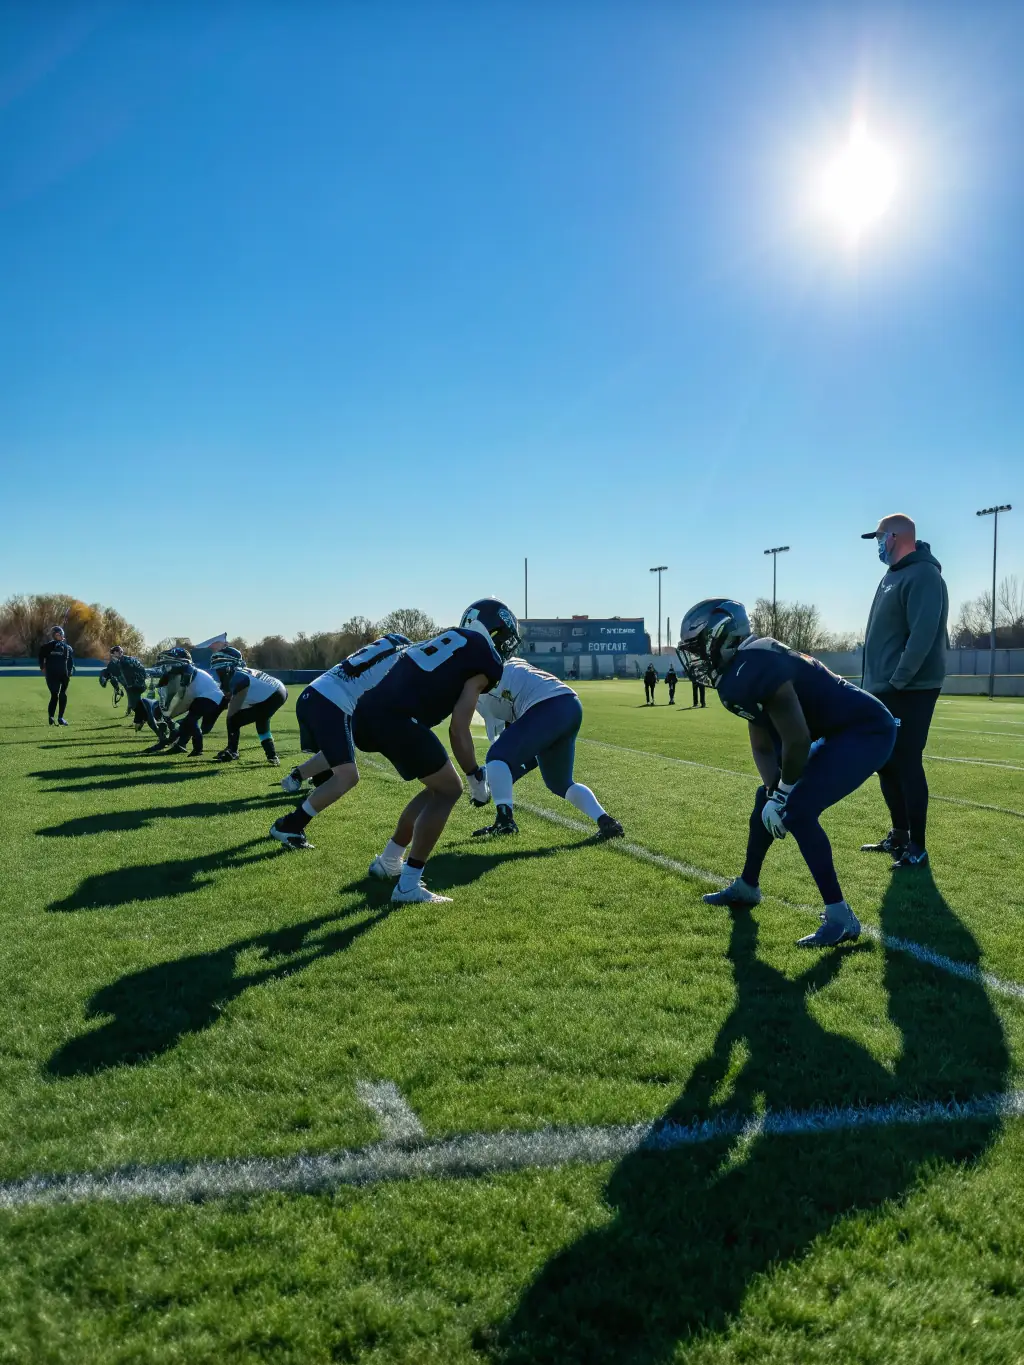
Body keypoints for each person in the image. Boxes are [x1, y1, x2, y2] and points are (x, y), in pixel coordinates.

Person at [678, 599, 896, 949]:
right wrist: (772, 791)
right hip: (834, 731)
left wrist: (783, 796)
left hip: (865, 730)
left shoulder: (755, 665)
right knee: (768, 798)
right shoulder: (742, 669)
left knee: (799, 810)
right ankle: (748, 886)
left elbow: (796, 740)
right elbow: (764, 746)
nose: (695, 659)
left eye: (697, 648)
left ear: (721, 638)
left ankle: (840, 918)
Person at [271, 600, 513, 906]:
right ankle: (408, 884)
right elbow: (459, 729)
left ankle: (389, 862)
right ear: (499, 630)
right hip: (396, 717)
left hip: (366, 712)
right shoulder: (486, 657)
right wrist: (476, 779)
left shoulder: (447, 638)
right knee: (451, 789)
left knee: (439, 787)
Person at [858, 514, 948, 869]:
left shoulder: (925, 575)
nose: (877, 544)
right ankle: (899, 835)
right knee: (886, 763)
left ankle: (918, 847)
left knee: (908, 762)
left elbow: (922, 635)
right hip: (884, 688)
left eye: (880, 537)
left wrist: (898, 681)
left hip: (911, 689)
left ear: (895, 537)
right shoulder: (890, 576)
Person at [471, 657, 624, 839]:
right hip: (571, 705)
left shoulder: (481, 687)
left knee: (497, 755)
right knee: (559, 783)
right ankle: (607, 822)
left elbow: (499, 748)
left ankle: (505, 823)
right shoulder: (512, 663)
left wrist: (486, 783)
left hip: (546, 707)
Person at [209, 647, 288, 765]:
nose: (218, 672)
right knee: (262, 720)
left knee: (233, 719)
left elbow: (233, 708)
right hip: (278, 690)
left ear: (229, 665)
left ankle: (232, 750)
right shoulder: (242, 672)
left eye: (220, 668)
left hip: (272, 694)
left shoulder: (238, 677)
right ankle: (272, 756)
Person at [153, 653, 226, 757]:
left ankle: (198, 749)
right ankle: (180, 745)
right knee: (188, 722)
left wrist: (169, 709)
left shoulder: (188, 670)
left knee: (189, 722)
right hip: (204, 698)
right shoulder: (188, 671)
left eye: (171, 664)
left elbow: (182, 692)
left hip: (211, 699)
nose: (169, 667)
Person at [99, 646, 154, 733]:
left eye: (120, 650)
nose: (120, 652)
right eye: (117, 651)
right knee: (135, 704)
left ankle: (146, 720)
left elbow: (141, 669)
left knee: (136, 704)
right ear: (112, 653)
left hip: (137, 685)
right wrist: (105, 677)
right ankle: (144, 719)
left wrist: (140, 680)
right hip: (128, 686)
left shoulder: (128, 660)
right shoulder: (112, 664)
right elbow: (111, 675)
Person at [38, 626, 75, 726]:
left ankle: (59, 717)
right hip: (52, 674)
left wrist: (70, 670)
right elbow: (41, 657)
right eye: (58, 634)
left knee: (62, 694)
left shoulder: (67, 648)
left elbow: (70, 661)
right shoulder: (48, 646)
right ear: (54, 635)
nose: (60, 636)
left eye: (60, 634)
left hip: (63, 674)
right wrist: (42, 667)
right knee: (55, 695)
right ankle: (53, 717)